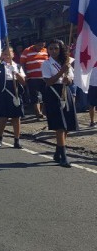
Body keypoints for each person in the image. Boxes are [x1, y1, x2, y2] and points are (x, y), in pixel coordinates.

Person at [42, 39, 77, 168]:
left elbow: (71, 82)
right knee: (60, 125)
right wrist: (62, 72)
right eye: (50, 49)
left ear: (60, 49)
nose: (53, 51)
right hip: (53, 93)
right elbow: (48, 81)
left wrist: (68, 80)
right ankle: (64, 156)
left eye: (56, 48)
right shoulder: (46, 64)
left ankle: (57, 152)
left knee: (67, 125)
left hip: (65, 91)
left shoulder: (66, 62)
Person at [0, 47, 26, 148]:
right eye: (5, 54)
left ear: (13, 55)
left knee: (16, 118)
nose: (7, 56)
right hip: (3, 92)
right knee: (3, 117)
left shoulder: (18, 66)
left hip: (15, 92)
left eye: (9, 54)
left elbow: (24, 82)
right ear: (2, 55)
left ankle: (17, 140)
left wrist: (15, 73)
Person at [20, 41, 49, 118]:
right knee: (35, 96)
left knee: (44, 95)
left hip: (44, 77)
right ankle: (38, 112)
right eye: (39, 45)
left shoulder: (46, 50)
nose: (41, 47)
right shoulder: (27, 50)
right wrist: (24, 75)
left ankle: (42, 112)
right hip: (32, 78)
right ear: (35, 44)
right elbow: (22, 63)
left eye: (42, 45)